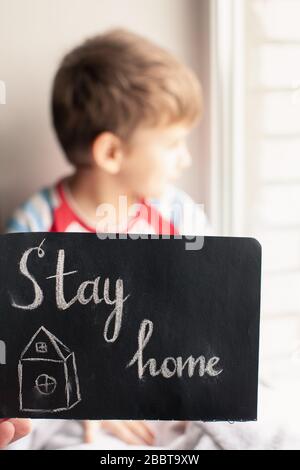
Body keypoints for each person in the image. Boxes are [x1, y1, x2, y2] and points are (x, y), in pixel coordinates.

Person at [5, 28, 210, 448]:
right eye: (173, 143)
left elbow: (206, 315)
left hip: (164, 394)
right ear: (111, 153)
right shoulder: (36, 226)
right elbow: (21, 343)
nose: (185, 157)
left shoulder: (178, 216)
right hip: (74, 406)